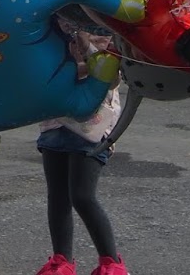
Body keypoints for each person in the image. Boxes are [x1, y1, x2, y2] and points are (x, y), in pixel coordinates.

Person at [33, 23, 128, 275]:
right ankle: (61, 261)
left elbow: (112, 77)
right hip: (55, 118)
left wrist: (85, 44)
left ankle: (111, 263)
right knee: (58, 196)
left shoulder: (104, 29)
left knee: (82, 195)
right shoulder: (50, 26)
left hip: (92, 123)